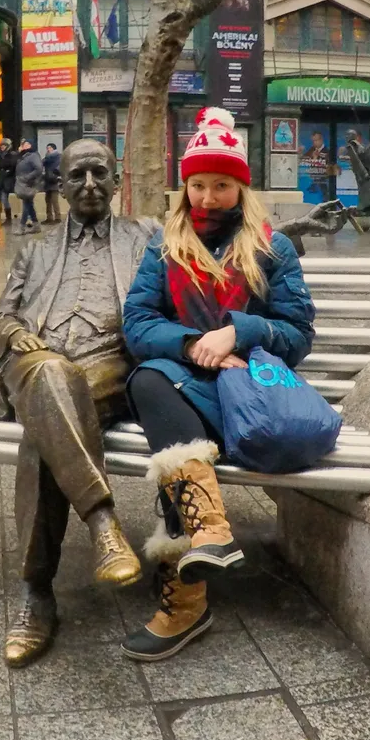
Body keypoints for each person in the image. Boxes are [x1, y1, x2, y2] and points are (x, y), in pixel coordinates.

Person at [120, 107, 315, 662]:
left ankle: (186, 603)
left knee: (159, 400)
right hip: (186, 389)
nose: (208, 198)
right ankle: (208, 536)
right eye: (198, 185)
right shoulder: (164, 247)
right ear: (184, 189)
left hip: (248, 398)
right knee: (154, 378)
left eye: (221, 185)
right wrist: (190, 346)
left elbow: (298, 334)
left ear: (241, 187)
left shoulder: (272, 249)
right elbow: (137, 323)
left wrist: (236, 335)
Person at [0, 139, 160, 666]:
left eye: (99, 174)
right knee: (49, 377)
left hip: (109, 364)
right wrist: (16, 336)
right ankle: (103, 523)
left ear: (115, 180)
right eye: (78, 175)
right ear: (59, 186)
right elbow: (2, 318)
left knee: (44, 428)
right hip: (37, 359)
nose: (88, 185)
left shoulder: (147, 238)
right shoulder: (35, 249)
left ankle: (36, 594)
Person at [14, 139, 45, 234]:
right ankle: (36, 226)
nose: (23, 145)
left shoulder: (33, 156)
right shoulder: (23, 156)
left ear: (31, 145)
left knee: (26, 204)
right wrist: (19, 153)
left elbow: (39, 169)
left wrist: (27, 177)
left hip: (29, 184)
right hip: (24, 184)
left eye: (26, 144)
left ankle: (22, 227)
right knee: (29, 204)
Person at [0, 139, 17, 224]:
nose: (2, 147)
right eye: (1, 146)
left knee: (4, 199)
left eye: (4, 146)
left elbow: (13, 167)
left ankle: (8, 219)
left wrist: (6, 172)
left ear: (7, 147)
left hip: (6, 181)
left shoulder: (11, 156)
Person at [42, 143, 62, 223]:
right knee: (47, 200)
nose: (48, 149)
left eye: (49, 148)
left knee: (54, 200)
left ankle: (57, 217)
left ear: (54, 148)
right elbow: (41, 163)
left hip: (54, 180)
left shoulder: (58, 157)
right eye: (47, 148)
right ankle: (49, 217)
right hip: (47, 180)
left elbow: (59, 168)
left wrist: (55, 175)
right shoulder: (47, 157)